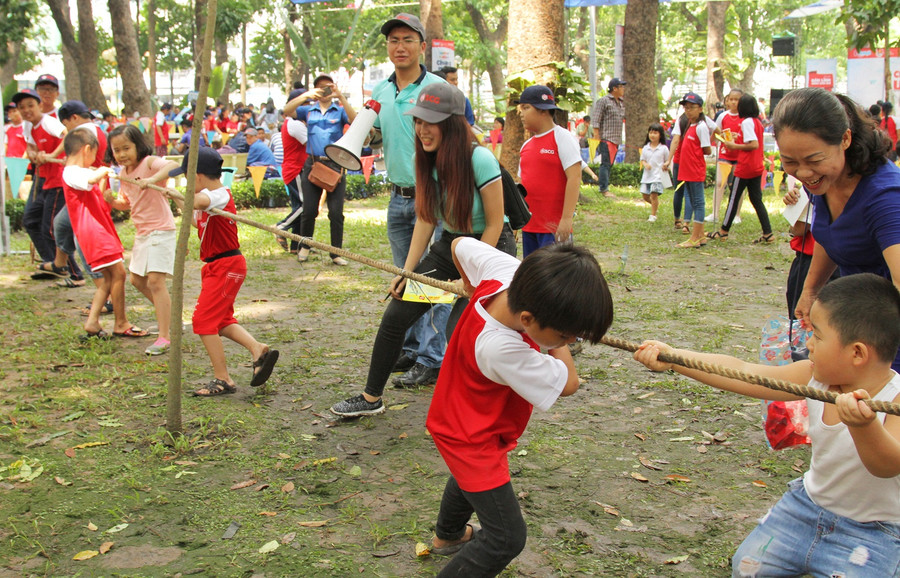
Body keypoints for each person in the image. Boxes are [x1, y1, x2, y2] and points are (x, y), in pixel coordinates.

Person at [632, 273, 900, 577]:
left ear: (857, 353)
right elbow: (743, 372)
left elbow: (887, 465)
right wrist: (675, 358)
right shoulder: (814, 378)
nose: (808, 343)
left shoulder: (895, 399)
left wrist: (865, 427)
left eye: (818, 336)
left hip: (874, 531)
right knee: (748, 566)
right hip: (805, 508)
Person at [426, 237, 613, 576]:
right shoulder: (500, 347)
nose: (571, 342)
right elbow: (569, 384)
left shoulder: (508, 274)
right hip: (471, 437)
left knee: (467, 479)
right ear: (527, 317)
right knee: (507, 538)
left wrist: (470, 286)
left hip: (460, 413)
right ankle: (450, 541)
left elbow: (460, 245)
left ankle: (447, 537)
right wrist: (557, 346)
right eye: (567, 335)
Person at [330, 82, 517, 417]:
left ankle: (475, 412)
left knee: (464, 333)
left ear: (453, 123)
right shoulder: (425, 160)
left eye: (431, 121)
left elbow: (493, 224)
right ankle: (371, 398)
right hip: (450, 245)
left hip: (492, 247)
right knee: (396, 315)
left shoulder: (480, 159)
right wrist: (407, 273)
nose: (422, 129)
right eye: (418, 121)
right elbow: (427, 219)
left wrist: (470, 276)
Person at [772, 87, 900, 372]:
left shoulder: (886, 198)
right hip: (855, 331)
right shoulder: (825, 181)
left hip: (884, 345)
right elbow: (829, 232)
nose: (803, 173)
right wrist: (811, 289)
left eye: (814, 160)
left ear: (845, 139)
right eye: (790, 161)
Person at [368, 12, 450, 388]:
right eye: (393, 40)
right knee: (405, 278)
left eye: (407, 40)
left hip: (433, 199)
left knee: (429, 280)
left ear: (422, 45)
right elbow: (373, 136)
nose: (399, 47)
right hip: (398, 197)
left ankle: (434, 358)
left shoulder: (437, 88)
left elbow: (458, 142)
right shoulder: (381, 91)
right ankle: (416, 348)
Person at [167, 148, 279, 396]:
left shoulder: (217, 194)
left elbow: (197, 202)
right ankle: (257, 349)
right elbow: (193, 212)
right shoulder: (207, 197)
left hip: (227, 265)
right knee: (221, 321)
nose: (186, 183)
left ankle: (223, 379)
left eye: (186, 177)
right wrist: (171, 195)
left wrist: (175, 193)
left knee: (203, 321)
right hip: (216, 265)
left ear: (196, 176)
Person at [61, 129, 146, 340]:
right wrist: (103, 171)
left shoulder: (78, 173)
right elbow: (90, 178)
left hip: (99, 230)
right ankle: (120, 322)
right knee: (118, 274)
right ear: (87, 149)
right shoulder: (72, 171)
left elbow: (94, 194)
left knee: (110, 277)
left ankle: (93, 321)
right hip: (95, 233)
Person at [104, 124, 179, 355]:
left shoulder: (148, 163)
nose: (122, 154)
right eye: (116, 150)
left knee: (156, 281)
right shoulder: (124, 174)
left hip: (161, 230)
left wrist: (153, 179)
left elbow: (175, 166)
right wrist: (112, 201)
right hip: (143, 233)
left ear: (138, 145)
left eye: (126, 148)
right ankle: (170, 317)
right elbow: (129, 202)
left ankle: (165, 336)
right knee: (137, 280)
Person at [282, 74, 357, 265]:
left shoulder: (338, 111)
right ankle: (305, 245)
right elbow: (287, 110)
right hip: (312, 164)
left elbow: (354, 119)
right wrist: (306, 95)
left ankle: (336, 253)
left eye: (328, 87)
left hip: (335, 165)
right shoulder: (308, 110)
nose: (325, 91)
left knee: (335, 212)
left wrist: (340, 96)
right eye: (321, 87)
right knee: (309, 210)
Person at [517, 85, 582, 257]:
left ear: (543, 111)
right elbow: (522, 186)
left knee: (555, 276)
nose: (521, 113)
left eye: (526, 107)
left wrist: (566, 219)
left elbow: (574, 178)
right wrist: (518, 221)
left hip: (553, 227)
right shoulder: (526, 146)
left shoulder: (563, 137)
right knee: (533, 275)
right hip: (529, 226)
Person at [708, 94, 773, 244]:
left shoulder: (747, 122)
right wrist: (738, 137)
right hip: (756, 167)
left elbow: (753, 144)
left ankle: (723, 231)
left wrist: (733, 145)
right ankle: (768, 232)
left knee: (733, 198)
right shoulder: (757, 122)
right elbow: (752, 140)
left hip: (745, 167)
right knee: (756, 200)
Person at [15, 88, 67, 274]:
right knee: (30, 220)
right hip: (43, 179)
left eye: (30, 105)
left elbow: (68, 135)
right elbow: (30, 145)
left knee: (51, 227)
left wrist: (52, 155)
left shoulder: (48, 122)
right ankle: (52, 262)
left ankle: (65, 266)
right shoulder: (28, 125)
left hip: (58, 179)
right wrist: (33, 154)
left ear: (39, 105)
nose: (26, 110)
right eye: (22, 107)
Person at [670, 92, 711, 248]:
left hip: (695, 169)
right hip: (687, 169)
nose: (688, 111)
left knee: (698, 202)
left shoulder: (701, 127)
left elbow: (706, 149)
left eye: (692, 107)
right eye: (686, 108)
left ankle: (694, 237)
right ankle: (700, 236)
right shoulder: (689, 125)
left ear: (700, 109)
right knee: (693, 201)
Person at [275, 88, 309, 254]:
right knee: (305, 205)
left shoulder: (291, 123)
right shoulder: (295, 124)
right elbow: (310, 143)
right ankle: (280, 228)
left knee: (298, 207)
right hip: (295, 169)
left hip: (293, 169)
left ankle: (296, 246)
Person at [708, 88, 743, 223]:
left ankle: (737, 214)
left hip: (739, 155)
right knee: (719, 183)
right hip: (724, 154)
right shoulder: (722, 116)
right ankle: (715, 213)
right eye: (731, 99)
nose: (733, 102)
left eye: (736, 99)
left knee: (737, 186)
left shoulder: (745, 118)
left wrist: (737, 137)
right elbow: (716, 133)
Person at [590, 77, 626, 198]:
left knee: (609, 164)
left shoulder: (620, 102)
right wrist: (596, 137)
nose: (623, 89)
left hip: (616, 139)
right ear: (614, 88)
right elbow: (596, 119)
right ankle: (604, 189)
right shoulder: (604, 101)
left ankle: (606, 186)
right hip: (606, 138)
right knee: (605, 164)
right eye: (621, 87)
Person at [640, 123, 669, 223]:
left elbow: (667, 160)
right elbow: (642, 159)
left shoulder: (664, 148)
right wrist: (645, 164)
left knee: (653, 195)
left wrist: (666, 165)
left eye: (655, 133)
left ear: (660, 135)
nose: (652, 135)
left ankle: (653, 215)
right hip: (647, 176)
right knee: (645, 195)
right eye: (651, 132)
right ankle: (655, 205)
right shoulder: (645, 148)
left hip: (658, 176)